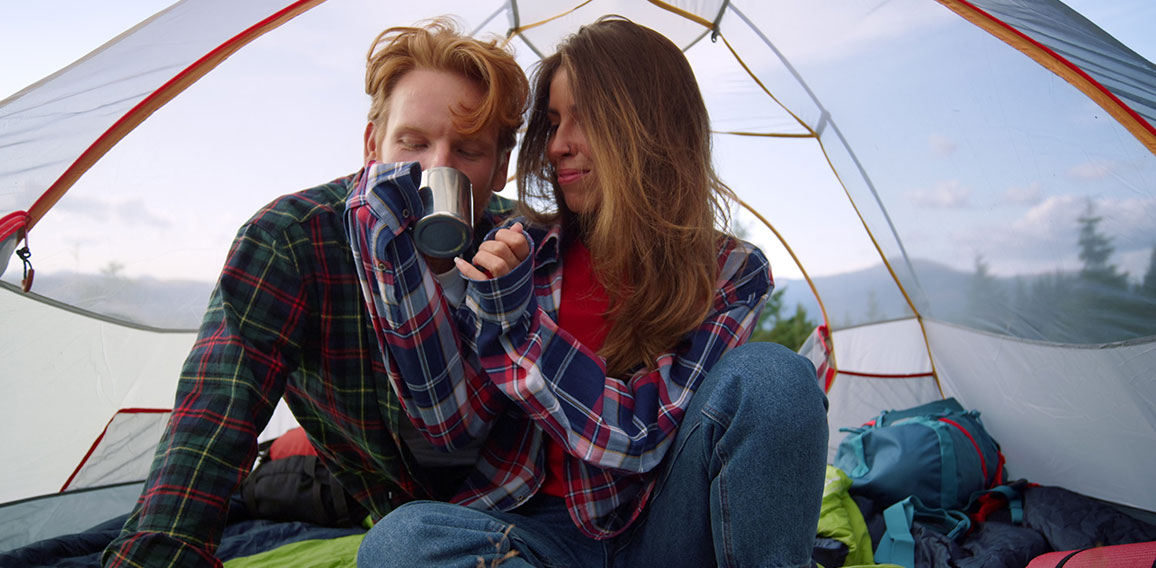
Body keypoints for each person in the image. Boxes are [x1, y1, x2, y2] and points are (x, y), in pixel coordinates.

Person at [351, 17, 829, 568]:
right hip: (532, 532)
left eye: (583, 119)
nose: (555, 146)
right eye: (552, 123)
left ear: (649, 124)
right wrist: (388, 247)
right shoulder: (519, 250)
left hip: (664, 528)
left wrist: (519, 329)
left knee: (776, 379)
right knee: (399, 542)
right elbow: (451, 423)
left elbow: (639, 435)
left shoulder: (729, 270)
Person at [102, 20, 529, 567]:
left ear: (499, 168)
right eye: (413, 142)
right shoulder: (294, 240)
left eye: (468, 150)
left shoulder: (526, 246)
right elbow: (219, 404)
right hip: (403, 508)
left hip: (521, 499)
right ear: (373, 144)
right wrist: (162, 552)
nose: (436, 168)